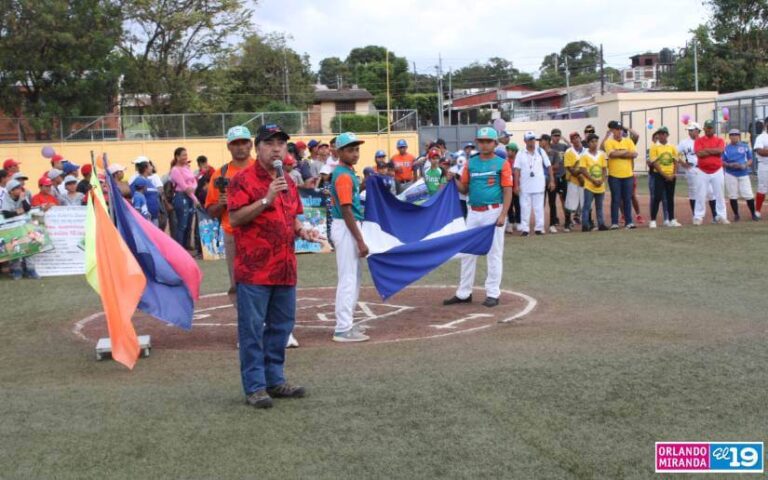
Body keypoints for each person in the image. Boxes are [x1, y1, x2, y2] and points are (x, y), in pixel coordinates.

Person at [227, 123, 317, 409]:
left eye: (281, 143)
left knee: (281, 326)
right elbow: (236, 218)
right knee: (252, 330)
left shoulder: (289, 181)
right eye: (270, 143)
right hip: (255, 271)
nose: (277, 148)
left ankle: (275, 379)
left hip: (284, 268)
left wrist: (303, 231)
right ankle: (255, 387)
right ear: (258, 148)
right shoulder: (242, 180)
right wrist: (266, 198)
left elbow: (293, 218)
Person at [442, 127, 512, 307]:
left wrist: (503, 214)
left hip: (494, 212)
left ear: (495, 143)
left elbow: (508, 191)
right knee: (467, 252)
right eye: (481, 141)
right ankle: (464, 293)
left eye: (488, 141)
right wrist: (452, 179)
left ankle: (493, 293)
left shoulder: (502, 163)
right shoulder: (470, 163)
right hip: (473, 211)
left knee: (494, 253)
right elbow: (464, 189)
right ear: (477, 142)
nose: (484, 144)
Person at [326, 132, 370, 342]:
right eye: (350, 149)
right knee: (348, 278)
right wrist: (360, 240)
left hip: (347, 225)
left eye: (356, 149)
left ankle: (347, 324)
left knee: (354, 277)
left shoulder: (347, 172)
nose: (355, 153)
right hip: (346, 226)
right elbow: (346, 209)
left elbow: (348, 200)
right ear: (340, 152)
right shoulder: (343, 175)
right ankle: (343, 328)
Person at [206, 126, 256, 295]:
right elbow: (211, 210)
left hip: (261, 232)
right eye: (235, 143)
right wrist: (221, 204)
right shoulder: (220, 174)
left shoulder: (262, 168)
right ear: (228, 146)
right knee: (237, 284)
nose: (240, 147)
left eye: (244, 142)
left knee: (263, 281)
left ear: (251, 144)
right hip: (233, 234)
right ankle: (245, 319)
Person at [514, 131, 554, 237]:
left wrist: (552, 180)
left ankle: (539, 229)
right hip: (525, 186)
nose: (531, 141)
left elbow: (549, 166)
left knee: (539, 208)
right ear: (525, 141)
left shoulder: (541, 151)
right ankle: (525, 229)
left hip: (539, 185)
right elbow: (517, 170)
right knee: (524, 208)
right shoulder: (520, 153)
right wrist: (516, 185)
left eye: (533, 139)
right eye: (529, 139)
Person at [604, 120, 638, 229]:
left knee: (627, 198)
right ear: (612, 130)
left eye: (620, 129)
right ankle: (614, 222)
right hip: (614, 175)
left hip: (628, 175)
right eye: (616, 129)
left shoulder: (628, 141)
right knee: (616, 199)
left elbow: (634, 154)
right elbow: (611, 154)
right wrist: (625, 152)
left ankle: (629, 222)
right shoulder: (608, 142)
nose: (619, 131)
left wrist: (619, 153)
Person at [693, 120, 729, 225]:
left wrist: (707, 150)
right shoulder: (698, 140)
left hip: (717, 170)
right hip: (702, 170)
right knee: (700, 194)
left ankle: (722, 216)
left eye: (711, 128)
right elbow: (699, 154)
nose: (709, 129)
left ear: (714, 129)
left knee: (720, 194)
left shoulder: (719, 140)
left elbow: (720, 151)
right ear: (704, 129)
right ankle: (698, 217)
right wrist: (713, 150)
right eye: (707, 127)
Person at [678, 122, 716, 218]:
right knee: (694, 192)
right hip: (692, 169)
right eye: (689, 130)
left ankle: (715, 215)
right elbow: (675, 154)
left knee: (710, 191)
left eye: (691, 130)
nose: (689, 132)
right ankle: (696, 216)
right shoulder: (684, 142)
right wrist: (683, 164)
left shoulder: (705, 141)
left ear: (697, 131)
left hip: (705, 169)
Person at [648, 127, 681, 228]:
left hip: (671, 175)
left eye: (663, 134)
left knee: (670, 198)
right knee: (657, 197)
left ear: (667, 135)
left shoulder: (672, 147)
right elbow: (655, 163)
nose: (661, 135)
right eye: (660, 134)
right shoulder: (654, 147)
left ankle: (671, 219)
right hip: (659, 175)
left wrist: (674, 174)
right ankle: (653, 220)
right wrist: (665, 175)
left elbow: (676, 161)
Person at [722, 129, 758, 221]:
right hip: (730, 173)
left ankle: (753, 214)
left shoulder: (745, 146)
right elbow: (722, 161)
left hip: (743, 173)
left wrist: (744, 165)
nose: (734, 136)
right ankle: (736, 215)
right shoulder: (726, 148)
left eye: (736, 134)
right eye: (732, 135)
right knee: (733, 195)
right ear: (729, 136)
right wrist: (730, 165)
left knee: (748, 194)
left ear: (739, 136)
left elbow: (750, 159)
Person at [169, 147, 201, 247]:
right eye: (183, 155)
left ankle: (187, 246)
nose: (185, 157)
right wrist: (195, 199)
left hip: (190, 197)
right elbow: (184, 187)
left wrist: (193, 188)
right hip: (181, 197)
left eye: (186, 155)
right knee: (182, 225)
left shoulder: (187, 168)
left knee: (189, 224)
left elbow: (194, 181)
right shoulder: (175, 170)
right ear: (177, 157)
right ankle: (180, 248)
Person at [578, 134, 609, 232]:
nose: (594, 144)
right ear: (588, 143)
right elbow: (583, 170)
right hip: (589, 185)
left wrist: (602, 180)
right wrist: (593, 180)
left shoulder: (602, 154)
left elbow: (604, 169)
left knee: (599, 206)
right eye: (592, 142)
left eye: (596, 141)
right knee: (587, 206)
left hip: (600, 185)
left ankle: (601, 224)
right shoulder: (584, 155)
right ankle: (585, 225)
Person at [563, 132, 585, 232]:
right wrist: (579, 176)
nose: (576, 140)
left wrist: (583, 177)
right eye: (573, 138)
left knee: (586, 202)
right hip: (573, 180)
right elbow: (570, 168)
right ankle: (567, 223)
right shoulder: (569, 152)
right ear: (571, 141)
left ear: (580, 138)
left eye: (577, 137)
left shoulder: (586, 151)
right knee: (570, 203)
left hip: (585, 181)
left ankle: (587, 222)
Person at [131, 160, 161, 226]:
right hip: (145, 220)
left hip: (153, 217)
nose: (152, 168)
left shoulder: (148, 181)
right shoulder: (138, 181)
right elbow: (135, 199)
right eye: (150, 166)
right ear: (145, 169)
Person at [753, 117, 768, 218]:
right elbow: (760, 152)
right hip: (764, 165)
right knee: (762, 187)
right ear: (765, 125)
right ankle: (757, 211)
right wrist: (765, 150)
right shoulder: (761, 137)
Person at [504, 143, 521, 233]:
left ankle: (518, 222)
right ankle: (510, 222)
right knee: (509, 205)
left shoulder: (519, 161)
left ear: (514, 151)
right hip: (508, 187)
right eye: (507, 150)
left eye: (509, 150)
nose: (507, 152)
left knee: (518, 205)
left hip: (517, 186)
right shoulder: (505, 161)